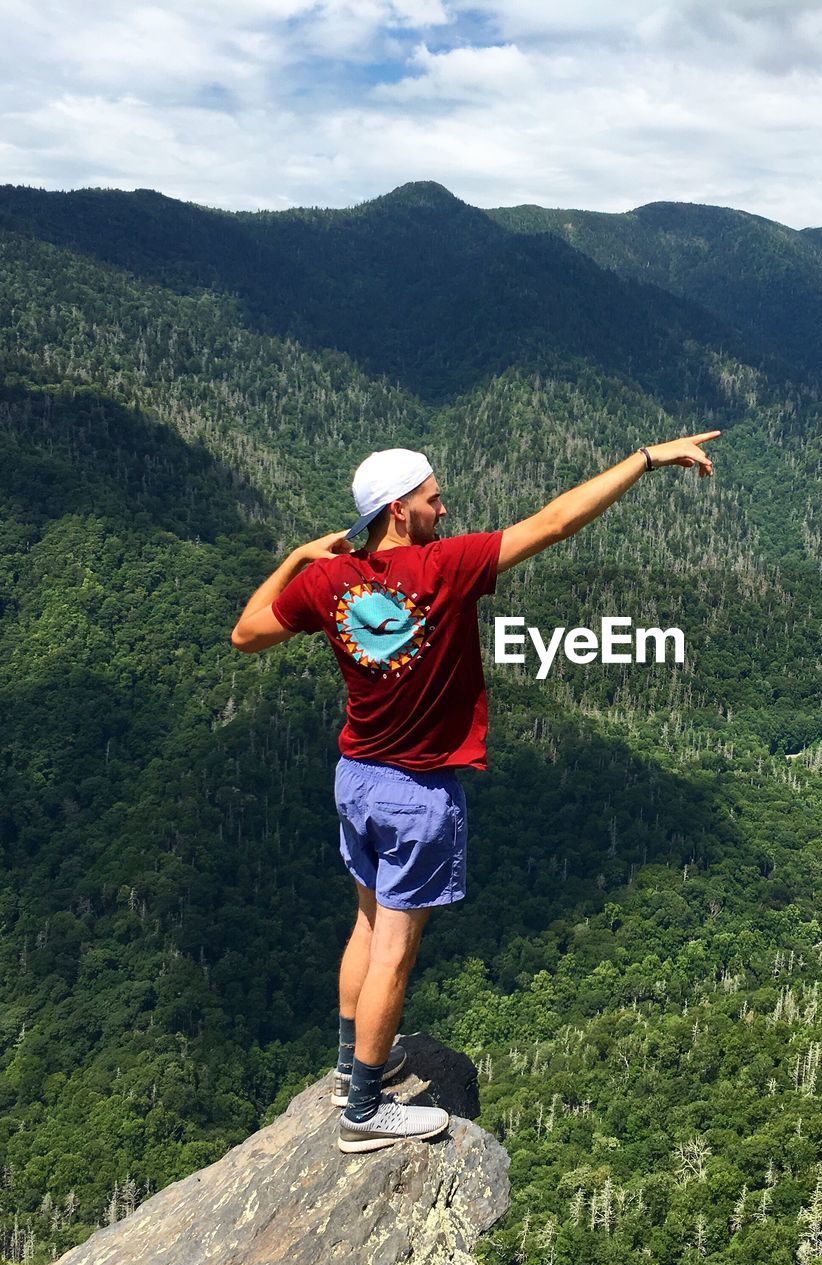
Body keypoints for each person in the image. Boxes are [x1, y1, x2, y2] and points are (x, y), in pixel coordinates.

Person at [230, 431, 719, 1152]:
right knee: (395, 946)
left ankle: (346, 1069)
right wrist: (645, 460)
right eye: (433, 500)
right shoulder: (444, 568)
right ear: (400, 510)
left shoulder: (328, 585)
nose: (444, 508)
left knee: (366, 924)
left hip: (356, 779)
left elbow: (245, 634)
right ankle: (363, 1111)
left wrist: (299, 557)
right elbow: (556, 522)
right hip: (416, 793)